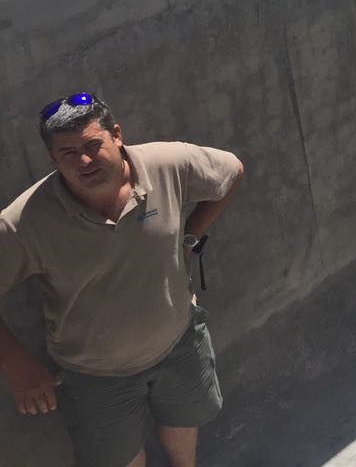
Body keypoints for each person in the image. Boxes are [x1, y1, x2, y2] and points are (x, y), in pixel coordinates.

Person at [0, 92, 245, 467]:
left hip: (179, 342)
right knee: (119, 457)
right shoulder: (26, 221)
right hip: (95, 375)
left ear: (116, 135)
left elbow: (231, 172)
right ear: (52, 158)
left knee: (184, 420)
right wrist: (17, 363)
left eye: (92, 145)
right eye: (68, 153)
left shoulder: (165, 164)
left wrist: (190, 238)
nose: (84, 161)